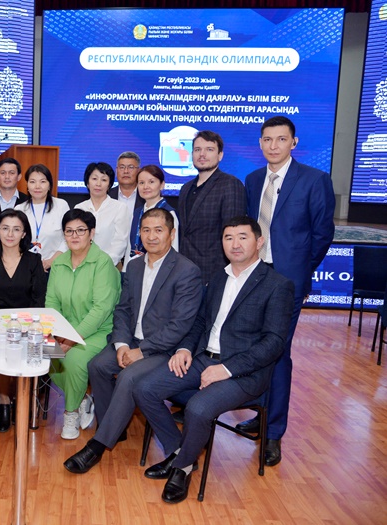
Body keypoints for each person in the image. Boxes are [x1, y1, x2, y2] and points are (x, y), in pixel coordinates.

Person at [133, 217, 294, 504]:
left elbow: (274, 343)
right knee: (144, 388)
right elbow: (199, 322)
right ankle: (180, 452)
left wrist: (227, 369)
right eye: (228, 237)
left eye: (243, 237)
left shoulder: (277, 285)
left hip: (244, 373)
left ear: (259, 242)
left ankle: (182, 468)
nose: (235, 244)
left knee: (197, 407)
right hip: (201, 359)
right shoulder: (219, 277)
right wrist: (185, 349)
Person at [64, 208, 203, 474]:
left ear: (172, 234)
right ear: (139, 233)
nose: (151, 236)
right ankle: (114, 429)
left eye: (159, 230)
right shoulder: (135, 265)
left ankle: (97, 445)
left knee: (129, 378)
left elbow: (180, 325)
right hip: (132, 341)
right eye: (146, 230)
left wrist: (142, 351)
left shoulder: (187, 271)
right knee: (97, 366)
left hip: (164, 349)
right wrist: (122, 345)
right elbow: (123, 309)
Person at [239, 116, 335, 466]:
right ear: (260, 143)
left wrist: (299, 271)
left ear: (293, 142)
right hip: (254, 279)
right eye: (267, 139)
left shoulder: (314, 179)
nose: (273, 145)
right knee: (253, 349)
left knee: (277, 353)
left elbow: (322, 234)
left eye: (281, 139)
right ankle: (260, 413)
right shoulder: (252, 180)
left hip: (288, 283)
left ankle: (274, 432)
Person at [45, 209, 120, 440]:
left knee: (74, 360)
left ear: (92, 233)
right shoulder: (59, 264)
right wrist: (58, 334)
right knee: (43, 353)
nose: (74, 236)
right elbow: (51, 303)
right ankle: (81, 398)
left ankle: (71, 413)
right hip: (65, 329)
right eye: (69, 231)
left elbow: (101, 310)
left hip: (99, 331)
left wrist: (70, 339)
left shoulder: (103, 263)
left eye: (80, 230)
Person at [0, 209, 47, 432]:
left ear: (24, 233)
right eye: (5, 228)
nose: (10, 234)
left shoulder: (34, 261)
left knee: (24, 346)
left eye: (16, 229)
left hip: (29, 326)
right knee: (2, 346)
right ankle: (4, 400)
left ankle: (21, 397)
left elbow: (39, 299)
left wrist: (27, 327)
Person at [177, 131, 246, 284]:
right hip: (184, 271)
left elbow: (232, 234)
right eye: (197, 149)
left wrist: (224, 275)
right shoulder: (185, 189)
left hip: (214, 273)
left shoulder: (230, 184)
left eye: (209, 149)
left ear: (220, 155)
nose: (202, 154)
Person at [15, 164, 71, 272]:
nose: (37, 186)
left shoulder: (61, 206)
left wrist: (50, 261)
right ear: (27, 185)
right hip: (26, 268)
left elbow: (68, 237)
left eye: (43, 182)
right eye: (32, 182)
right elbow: (15, 241)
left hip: (56, 267)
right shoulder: (19, 209)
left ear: (49, 185)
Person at [74, 162, 129, 267]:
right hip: (81, 265)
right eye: (94, 179)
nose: (98, 184)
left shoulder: (120, 208)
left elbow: (120, 242)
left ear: (109, 185)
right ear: (87, 183)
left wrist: (103, 264)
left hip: (109, 265)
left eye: (104, 180)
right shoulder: (79, 208)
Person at [130, 165, 179, 259]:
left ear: (162, 185)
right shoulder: (137, 212)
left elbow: (174, 249)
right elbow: (131, 245)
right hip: (137, 264)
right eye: (141, 183)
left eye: (151, 182)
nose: (145, 187)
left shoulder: (169, 213)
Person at [109, 151, 144, 268]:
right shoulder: (107, 196)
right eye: (122, 167)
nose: (126, 171)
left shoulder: (146, 197)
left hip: (139, 257)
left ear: (139, 171)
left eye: (131, 167)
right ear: (116, 170)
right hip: (110, 256)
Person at [0, 157, 27, 224]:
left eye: (11, 173)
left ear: (19, 177)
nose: (7, 177)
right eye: (3, 173)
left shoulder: (27, 201)